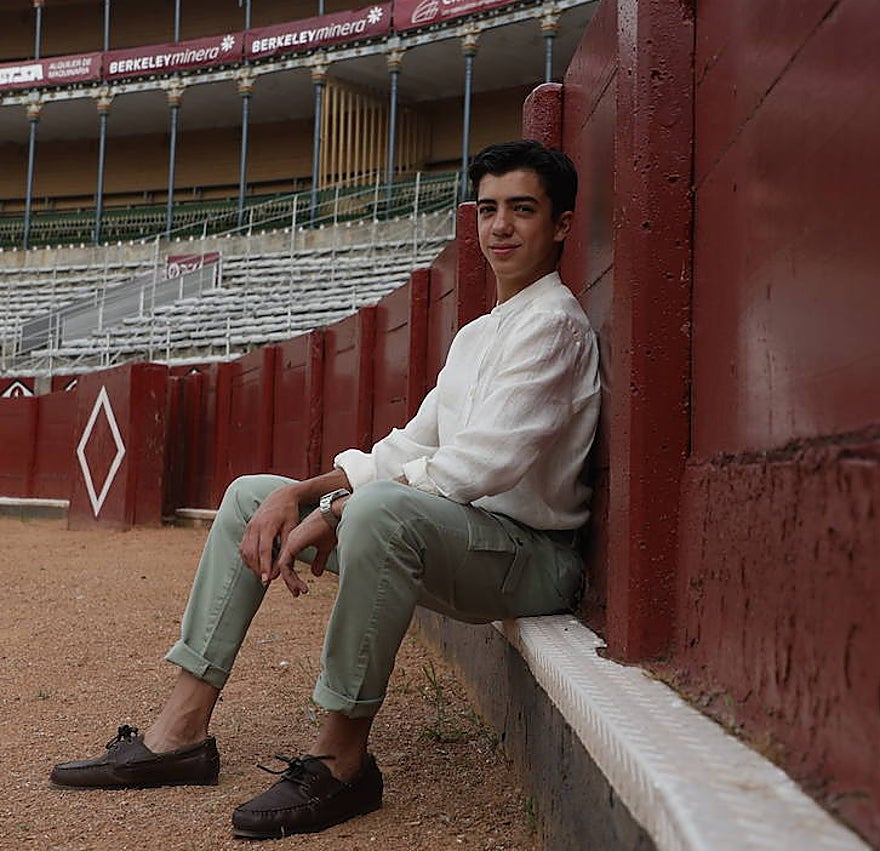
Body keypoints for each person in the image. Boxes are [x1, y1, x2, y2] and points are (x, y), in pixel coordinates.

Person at [49, 139, 601, 840]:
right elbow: (411, 446)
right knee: (254, 493)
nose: (500, 227)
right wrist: (304, 493)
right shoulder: (480, 333)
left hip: (531, 558)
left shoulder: (555, 325)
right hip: (465, 541)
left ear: (559, 225)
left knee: (377, 508)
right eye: (488, 209)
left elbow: (478, 467)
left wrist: (339, 510)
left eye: (522, 210)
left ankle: (343, 758)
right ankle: (180, 730)